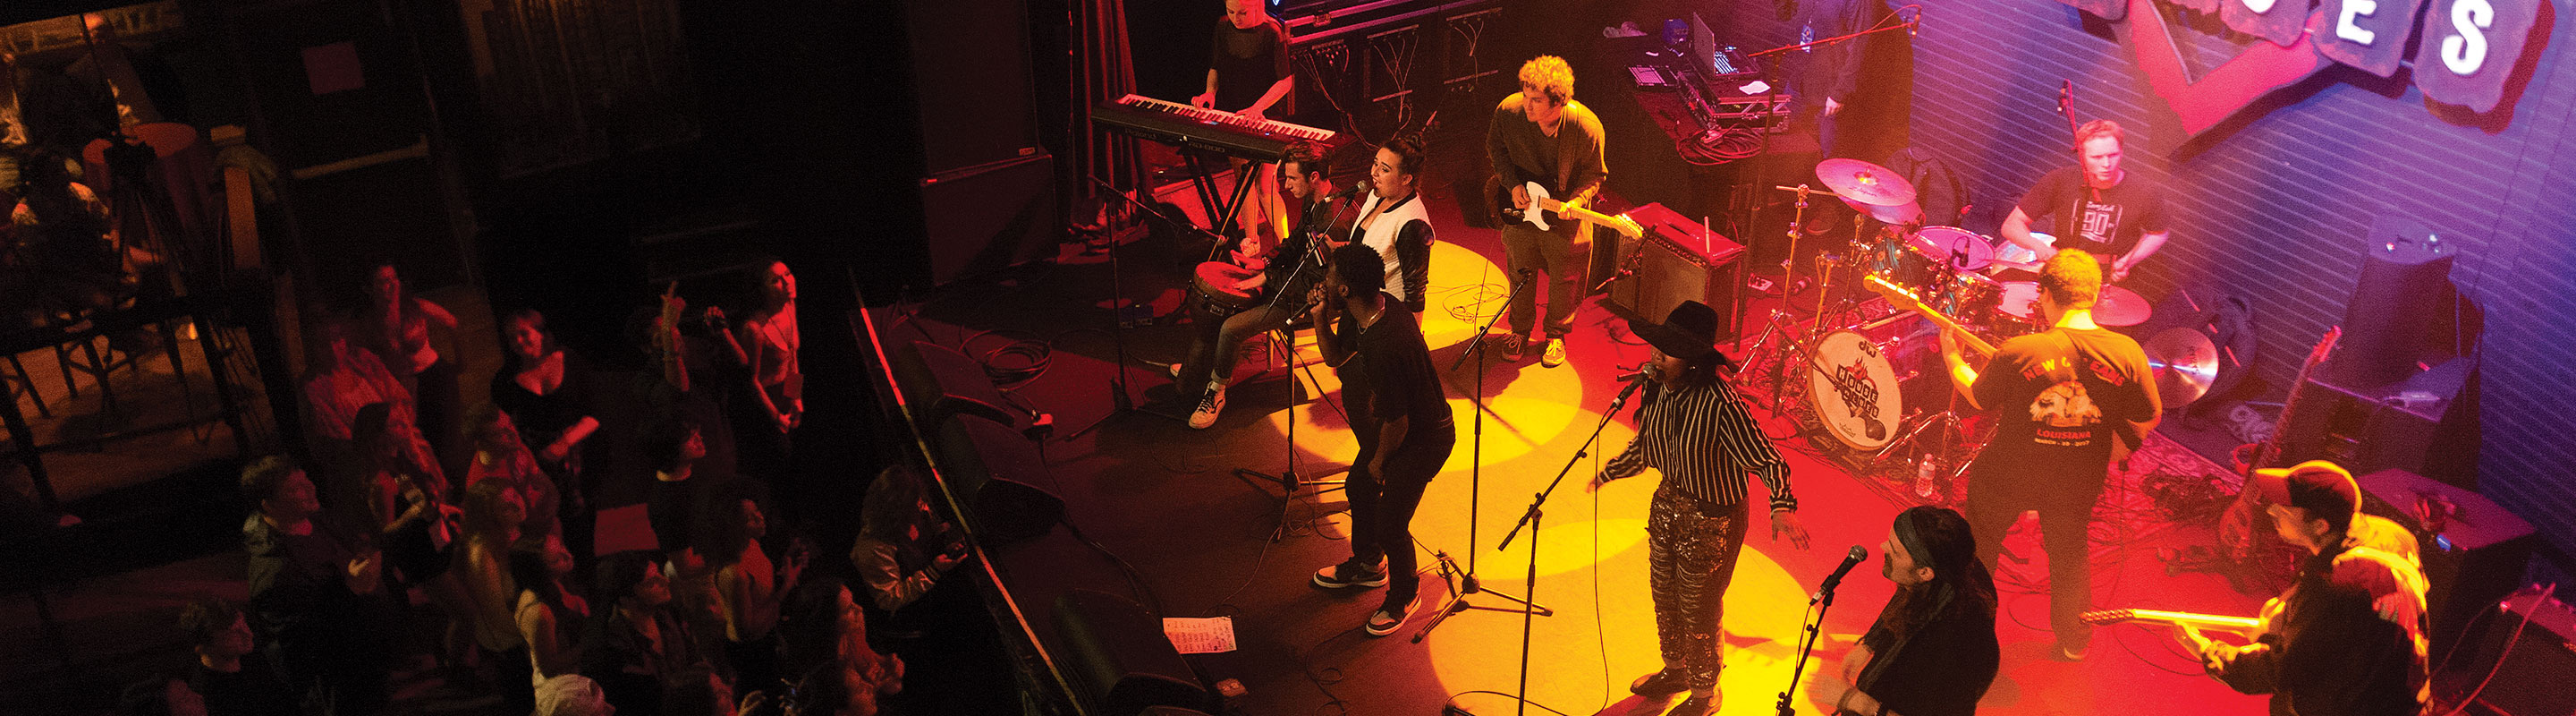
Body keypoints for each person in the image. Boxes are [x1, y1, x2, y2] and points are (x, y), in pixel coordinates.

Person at [1586, 300, 1809, 716]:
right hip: (1668, 503)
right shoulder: (1656, 387)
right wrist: (1610, 472)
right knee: (1664, 596)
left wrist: (1782, 506)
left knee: (1699, 610)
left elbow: (1768, 459)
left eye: (1669, 351)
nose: (1657, 355)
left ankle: (1706, 694)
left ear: (1693, 359)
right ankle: (1676, 672)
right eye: (1658, 345)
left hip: (1713, 519)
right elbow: (1647, 446)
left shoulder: (1721, 405)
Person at [1936, 249, 2159, 661]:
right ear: (2095, 296)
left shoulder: (2022, 348)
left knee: (1981, 543)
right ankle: (2075, 640)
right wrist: (2115, 450)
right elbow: (2149, 415)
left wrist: (1952, 356)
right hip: (2077, 478)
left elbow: (1978, 396)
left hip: (2009, 471)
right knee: (2070, 551)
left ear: (2046, 295)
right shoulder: (2128, 352)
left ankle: (1966, 634)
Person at [2181, 460, 2430, 716]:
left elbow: (2278, 672)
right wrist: (2290, 619)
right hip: (2404, 694)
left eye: (2284, 510)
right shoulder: (2395, 535)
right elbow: (2390, 603)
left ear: (2320, 526)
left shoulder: (2331, 585)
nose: (2271, 511)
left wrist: (2208, 651)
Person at [1307, 243, 1455, 637]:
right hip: (1399, 428)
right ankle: (1370, 564)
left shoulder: (1387, 343)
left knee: (1391, 521)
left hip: (1426, 439)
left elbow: (1397, 422)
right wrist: (1320, 317)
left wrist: (1378, 462)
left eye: (1330, 276)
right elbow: (1335, 358)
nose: (1324, 280)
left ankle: (1406, 593)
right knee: (1358, 486)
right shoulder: (1363, 313)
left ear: (1344, 290)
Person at [1172, 139, 1337, 430]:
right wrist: (1265, 263)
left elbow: (1313, 280)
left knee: (1230, 327)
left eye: (1292, 178)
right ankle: (1199, 367)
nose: (1285, 185)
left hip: (1309, 299)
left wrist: (1267, 277)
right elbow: (1295, 242)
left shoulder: (1335, 218)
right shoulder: (1314, 200)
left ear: (1314, 177)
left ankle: (1216, 392)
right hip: (1290, 282)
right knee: (1226, 304)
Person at [238, 456, 392, 716]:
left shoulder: (315, 518)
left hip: (366, 658)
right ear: (270, 505)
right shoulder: (273, 574)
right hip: (340, 683)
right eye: (295, 488)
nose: (310, 487)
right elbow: (303, 645)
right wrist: (351, 590)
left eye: (305, 479)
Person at [1812, 507, 2001, 716]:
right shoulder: (1943, 569)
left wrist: (1856, 701)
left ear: (1924, 572)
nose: (1883, 547)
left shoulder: (1952, 648)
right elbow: (1908, 591)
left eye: (1896, 551)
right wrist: (1870, 642)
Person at [1487, 55, 1606, 368]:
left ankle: (1555, 334)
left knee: (1565, 277)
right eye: (1525, 95)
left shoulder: (1585, 127)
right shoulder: (1509, 111)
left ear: (1559, 101)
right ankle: (1520, 330)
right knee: (1519, 272)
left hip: (1563, 211)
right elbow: (1496, 150)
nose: (1527, 105)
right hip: (1522, 206)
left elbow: (1595, 174)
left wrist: (1576, 202)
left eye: (1536, 100)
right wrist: (1512, 185)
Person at [1999, 120, 2170, 284]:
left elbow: (2159, 233)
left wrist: (2128, 262)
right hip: (2063, 267)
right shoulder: (2060, 180)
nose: (2106, 164)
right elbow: (2011, 225)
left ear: (2122, 151)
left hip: (2108, 277)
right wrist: (2038, 247)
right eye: (2097, 157)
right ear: (2082, 156)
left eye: (2113, 155)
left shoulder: (2144, 190)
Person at [491, 309, 598, 551]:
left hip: (579, 453)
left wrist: (564, 443)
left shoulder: (569, 361)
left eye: (524, 333)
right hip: (536, 462)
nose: (518, 342)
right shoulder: (505, 380)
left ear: (541, 333)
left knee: (582, 520)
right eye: (511, 338)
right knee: (549, 524)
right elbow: (502, 424)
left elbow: (594, 413)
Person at [1191, 0, 1296, 243]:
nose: (1235, 18)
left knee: (1264, 185)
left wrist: (1258, 107)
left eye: (1242, 13)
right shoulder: (1223, 27)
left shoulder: (1272, 32)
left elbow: (1285, 82)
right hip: (1235, 112)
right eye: (1230, 11)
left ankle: (1287, 244)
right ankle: (1251, 243)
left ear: (1258, 6)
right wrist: (1210, 93)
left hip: (1265, 114)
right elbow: (1216, 66)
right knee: (1243, 182)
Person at [356, 263, 462, 461]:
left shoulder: (414, 307)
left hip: (436, 375)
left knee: (450, 441)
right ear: (368, 289)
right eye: (383, 281)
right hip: (406, 386)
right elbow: (387, 350)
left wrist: (459, 361)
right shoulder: (370, 323)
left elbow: (451, 322)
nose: (392, 285)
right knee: (423, 443)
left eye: (394, 278)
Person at [583, 552, 704, 715]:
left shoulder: (669, 616)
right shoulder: (610, 647)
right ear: (626, 599)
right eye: (652, 582)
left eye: (659, 573)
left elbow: (692, 660)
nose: (666, 581)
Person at [711, 494, 808, 693]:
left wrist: (787, 563)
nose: (760, 517)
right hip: (751, 653)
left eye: (757, 510)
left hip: (767, 637)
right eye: (750, 518)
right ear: (734, 528)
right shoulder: (735, 573)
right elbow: (746, 631)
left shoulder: (752, 544)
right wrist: (787, 585)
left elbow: (761, 593)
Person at [457, 480, 535, 712]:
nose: (518, 506)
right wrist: (535, 635)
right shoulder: (482, 553)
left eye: (516, 497)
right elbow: (497, 615)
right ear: (488, 518)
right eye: (505, 507)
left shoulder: (514, 532)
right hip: (509, 644)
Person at [851, 465, 965, 616]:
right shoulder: (874, 548)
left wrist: (942, 546)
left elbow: (918, 552)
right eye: (915, 505)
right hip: (914, 614)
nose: (922, 507)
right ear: (899, 513)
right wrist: (933, 571)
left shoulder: (911, 517)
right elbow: (889, 599)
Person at [729, 259, 802, 482]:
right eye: (776, 280)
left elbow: (793, 357)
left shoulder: (789, 306)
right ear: (762, 289)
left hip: (784, 392)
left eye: (787, 273)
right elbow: (752, 381)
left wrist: (795, 398)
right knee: (776, 462)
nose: (787, 282)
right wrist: (775, 416)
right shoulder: (754, 329)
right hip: (763, 402)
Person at [177, 597, 296, 716]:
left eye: (244, 625)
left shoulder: (252, 662)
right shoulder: (204, 696)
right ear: (204, 646)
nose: (248, 634)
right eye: (234, 632)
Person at [511, 538, 591, 689]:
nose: (569, 556)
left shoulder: (559, 584)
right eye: (556, 560)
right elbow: (548, 668)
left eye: (562, 546)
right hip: (565, 690)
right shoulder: (539, 610)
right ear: (538, 572)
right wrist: (590, 645)